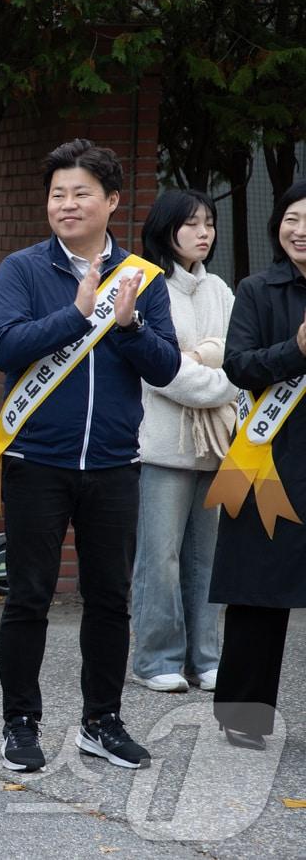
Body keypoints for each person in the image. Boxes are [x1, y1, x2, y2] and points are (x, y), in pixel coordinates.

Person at [0, 139, 179, 773]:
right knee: (29, 596)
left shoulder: (142, 279)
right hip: (37, 460)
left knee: (109, 598)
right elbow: (5, 348)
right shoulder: (23, 269)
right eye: (58, 194)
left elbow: (168, 365)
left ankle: (102, 721)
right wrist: (76, 315)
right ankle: (20, 722)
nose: (66, 205)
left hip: (116, 464)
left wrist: (128, 328)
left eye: (80, 193)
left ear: (112, 201)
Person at [207, 179, 306, 750]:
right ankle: (244, 716)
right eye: (292, 219)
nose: (300, 231)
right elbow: (240, 365)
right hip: (268, 459)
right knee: (257, 595)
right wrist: (297, 348)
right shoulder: (257, 289)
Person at [130, 190, 235, 694]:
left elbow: (239, 360)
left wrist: (203, 359)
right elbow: (157, 372)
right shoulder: (149, 285)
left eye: (209, 223)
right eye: (191, 223)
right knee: (160, 557)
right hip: (162, 445)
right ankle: (156, 659)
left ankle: (206, 657)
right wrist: (206, 370)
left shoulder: (220, 290)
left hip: (215, 445)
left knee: (206, 558)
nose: (203, 232)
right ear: (167, 229)